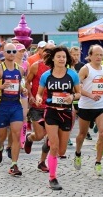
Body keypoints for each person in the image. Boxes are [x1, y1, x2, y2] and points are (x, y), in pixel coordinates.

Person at [35, 46, 81, 190]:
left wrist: (72, 97)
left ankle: (50, 140)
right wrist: (37, 99)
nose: (62, 59)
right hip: (51, 112)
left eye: (64, 57)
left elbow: (79, 93)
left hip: (66, 113)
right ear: (53, 59)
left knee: (61, 151)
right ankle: (52, 178)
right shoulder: (46, 75)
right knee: (54, 147)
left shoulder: (72, 75)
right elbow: (39, 93)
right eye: (59, 56)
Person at [0, 43, 27, 176]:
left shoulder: (20, 70)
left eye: (13, 51)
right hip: (2, 105)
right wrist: (1, 87)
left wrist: (24, 90)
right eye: (8, 51)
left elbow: (21, 86)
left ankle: (14, 165)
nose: (11, 54)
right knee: (2, 136)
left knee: (16, 135)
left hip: (16, 105)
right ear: (3, 53)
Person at [73, 44, 103, 176]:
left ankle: (98, 162)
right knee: (82, 134)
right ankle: (78, 152)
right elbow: (77, 87)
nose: (99, 57)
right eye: (97, 54)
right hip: (86, 106)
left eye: (101, 55)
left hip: (101, 106)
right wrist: (90, 95)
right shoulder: (85, 69)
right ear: (90, 56)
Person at [24, 42, 55, 173]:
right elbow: (27, 82)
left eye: (52, 51)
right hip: (38, 106)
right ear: (41, 52)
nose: (48, 53)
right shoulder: (36, 66)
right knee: (40, 135)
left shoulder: (59, 68)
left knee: (50, 137)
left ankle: (42, 161)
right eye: (46, 50)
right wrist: (30, 95)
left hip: (53, 106)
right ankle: (29, 138)